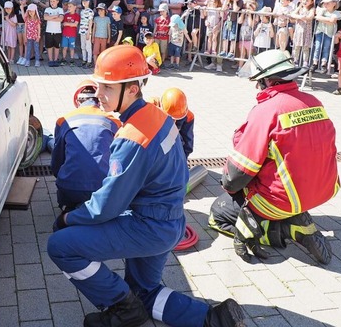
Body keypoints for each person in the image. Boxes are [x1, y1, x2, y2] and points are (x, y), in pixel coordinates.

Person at [48, 44, 245, 327]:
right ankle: (214, 318)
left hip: (148, 226)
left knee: (60, 245)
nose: (99, 94)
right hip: (169, 222)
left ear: (131, 89)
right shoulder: (159, 117)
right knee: (144, 292)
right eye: (99, 85)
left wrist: (68, 217)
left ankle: (123, 308)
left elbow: (105, 207)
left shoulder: (132, 137)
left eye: (107, 88)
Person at [209, 49, 339, 264]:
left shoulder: (267, 111)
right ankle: (293, 217)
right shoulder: (315, 102)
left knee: (218, 213)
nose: (256, 86)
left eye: (258, 81)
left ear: (268, 82)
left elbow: (237, 174)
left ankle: (286, 230)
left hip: (283, 199)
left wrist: (233, 193)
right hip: (323, 190)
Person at [50, 79, 122, 211]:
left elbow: (57, 161)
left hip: (69, 187)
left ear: (77, 101)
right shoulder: (114, 122)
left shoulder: (63, 121)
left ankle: (68, 210)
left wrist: (63, 177)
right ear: (98, 100)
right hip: (102, 188)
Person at [159, 88, 194, 160]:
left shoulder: (188, 117)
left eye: (177, 119)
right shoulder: (152, 106)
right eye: (171, 118)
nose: (174, 121)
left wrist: (182, 162)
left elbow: (188, 143)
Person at [78, 0, 94, 68]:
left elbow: (90, 22)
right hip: (82, 31)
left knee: (88, 47)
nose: (84, 2)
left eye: (86, 1)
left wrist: (89, 32)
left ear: (89, 2)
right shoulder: (82, 11)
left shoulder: (90, 11)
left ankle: (89, 61)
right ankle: (84, 60)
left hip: (87, 31)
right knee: (83, 46)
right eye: (83, 1)